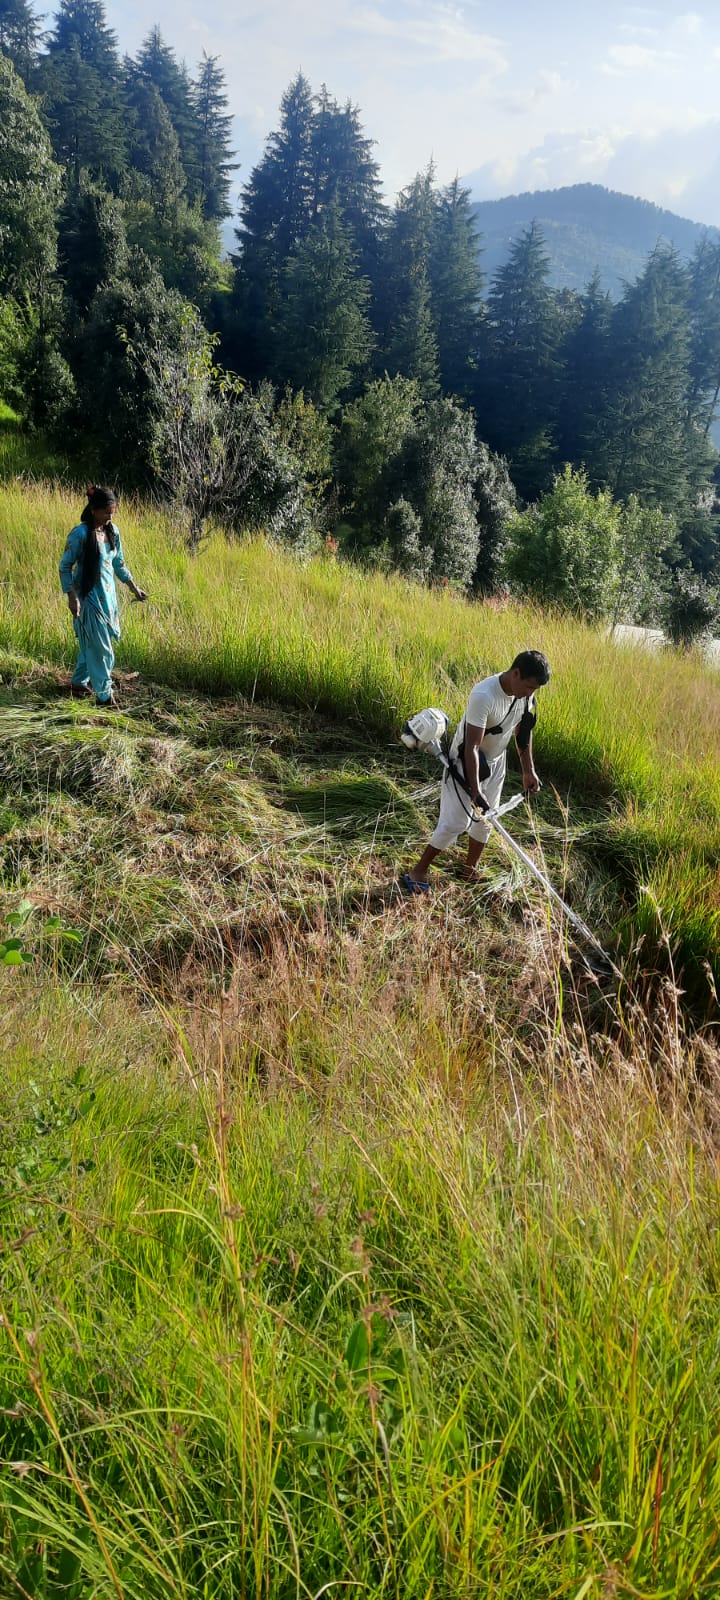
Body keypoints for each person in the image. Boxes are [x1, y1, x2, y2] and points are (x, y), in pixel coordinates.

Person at [402, 648, 551, 893]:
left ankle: (470, 869)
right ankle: (418, 871)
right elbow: (471, 746)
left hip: (496, 761)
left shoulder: (524, 696)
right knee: (455, 823)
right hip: (466, 761)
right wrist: (474, 790)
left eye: (535, 690)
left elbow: (523, 732)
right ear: (516, 673)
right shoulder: (484, 695)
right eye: (529, 687)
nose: (530, 694)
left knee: (486, 821)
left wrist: (528, 771)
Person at [59, 485, 147, 707]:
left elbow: (118, 563)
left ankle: (79, 683)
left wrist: (134, 588)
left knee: (92, 644)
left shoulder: (112, 532)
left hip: (108, 598)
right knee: (103, 652)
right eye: (106, 512)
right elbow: (64, 566)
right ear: (93, 510)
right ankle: (104, 697)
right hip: (87, 599)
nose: (110, 516)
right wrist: (72, 596)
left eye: (112, 512)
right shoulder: (79, 534)